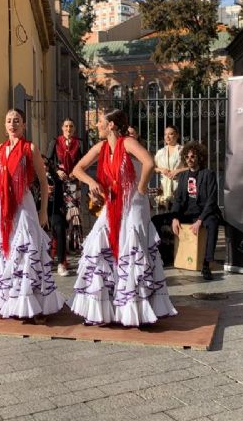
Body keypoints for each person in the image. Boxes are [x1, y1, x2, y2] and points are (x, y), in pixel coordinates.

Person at [69, 109, 177, 326]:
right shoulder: (101, 147)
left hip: (133, 203)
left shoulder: (127, 143)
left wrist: (142, 187)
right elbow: (77, 169)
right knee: (99, 246)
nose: (96, 125)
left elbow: (148, 162)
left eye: (100, 122)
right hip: (113, 202)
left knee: (133, 251)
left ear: (111, 125)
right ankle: (105, 307)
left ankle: (137, 309)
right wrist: (92, 183)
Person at [0, 109, 64, 320]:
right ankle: (3, 299)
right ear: (5, 126)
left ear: (24, 125)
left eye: (16, 121)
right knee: (1, 251)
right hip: (2, 205)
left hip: (24, 203)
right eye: (8, 121)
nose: (12, 124)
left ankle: (28, 300)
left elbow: (43, 182)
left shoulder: (29, 148)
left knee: (25, 249)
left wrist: (43, 212)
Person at [169, 142, 222, 281]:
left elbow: (212, 200)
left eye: (193, 156)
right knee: (159, 220)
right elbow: (178, 199)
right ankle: (169, 257)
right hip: (188, 213)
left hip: (205, 213)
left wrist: (200, 220)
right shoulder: (183, 176)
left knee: (212, 223)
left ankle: (206, 262)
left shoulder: (208, 174)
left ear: (200, 157)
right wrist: (175, 217)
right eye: (187, 157)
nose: (190, 159)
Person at [46, 118, 82, 274]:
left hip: (74, 184)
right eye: (66, 126)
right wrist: (57, 171)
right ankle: (59, 254)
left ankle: (71, 249)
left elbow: (84, 160)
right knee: (60, 218)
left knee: (73, 218)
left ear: (74, 129)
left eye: (71, 126)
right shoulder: (55, 142)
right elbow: (47, 161)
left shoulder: (79, 143)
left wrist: (77, 170)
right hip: (59, 184)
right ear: (62, 128)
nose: (69, 128)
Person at [154, 125, 186, 209]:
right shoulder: (160, 152)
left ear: (177, 135)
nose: (167, 137)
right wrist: (161, 169)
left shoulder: (183, 150)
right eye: (165, 134)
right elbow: (153, 167)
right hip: (164, 188)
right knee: (166, 216)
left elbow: (191, 167)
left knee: (179, 213)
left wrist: (178, 171)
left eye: (171, 134)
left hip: (179, 186)